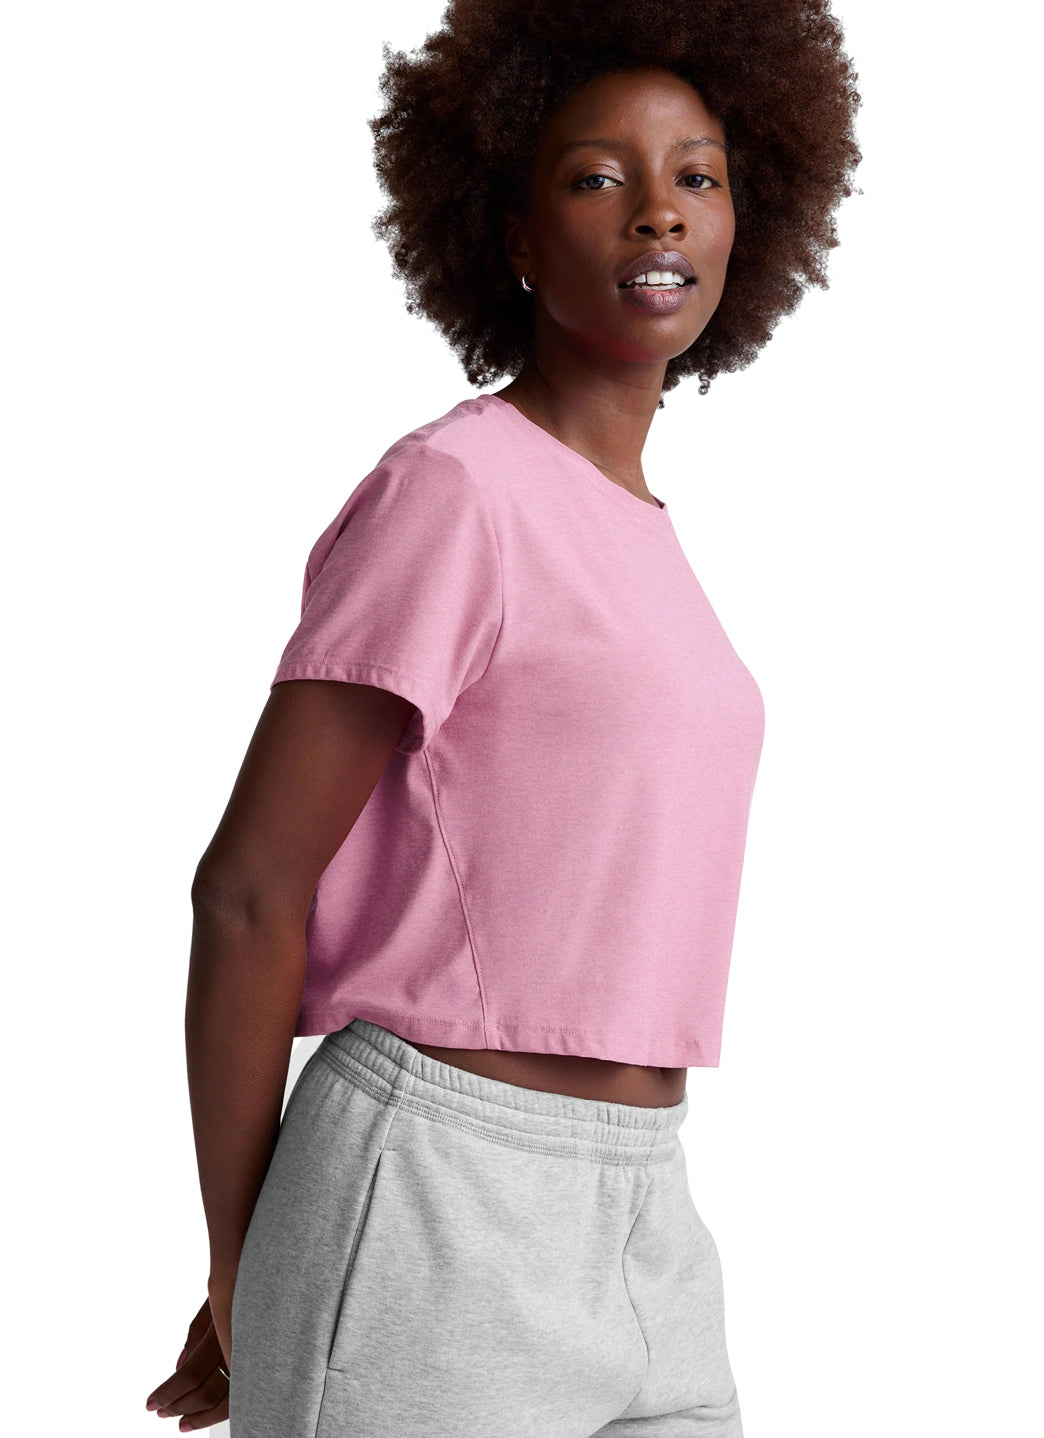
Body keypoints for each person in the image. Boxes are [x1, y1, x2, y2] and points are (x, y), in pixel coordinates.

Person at [145, 1, 861, 1432]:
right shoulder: (455, 491)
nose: (659, 209)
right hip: (436, 1186)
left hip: (650, 1207)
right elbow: (249, 889)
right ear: (516, 236)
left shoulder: (645, 535)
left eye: (699, 175)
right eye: (599, 177)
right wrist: (244, 1266)